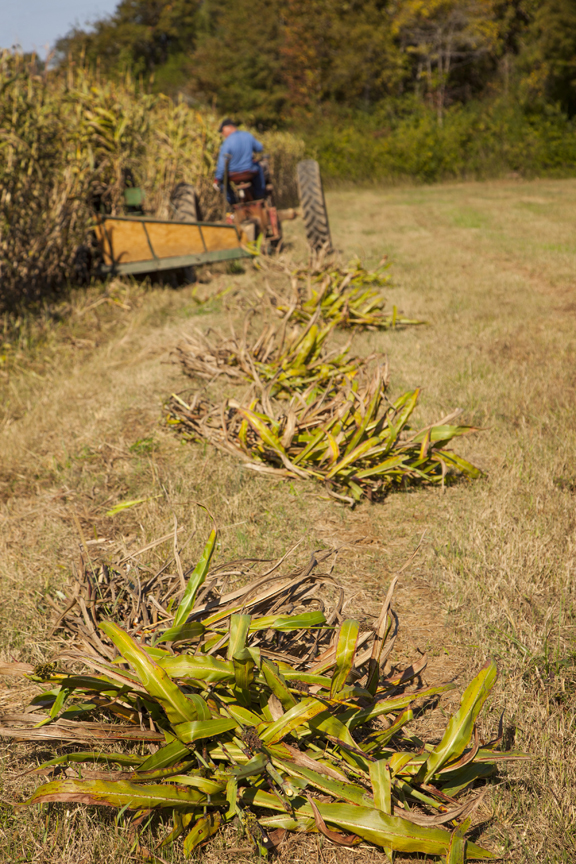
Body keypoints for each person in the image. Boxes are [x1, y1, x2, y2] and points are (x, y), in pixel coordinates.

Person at [214, 119, 266, 205]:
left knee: (223, 182)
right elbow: (259, 148)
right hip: (249, 171)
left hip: (232, 175)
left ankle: (233, 202)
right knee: (259, 168)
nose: (222, 134)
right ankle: (259, 195)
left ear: (229, 127)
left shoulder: (227, 142)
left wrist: (217, 178)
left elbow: (222, 163)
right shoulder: (247, 136)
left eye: (223, 131)